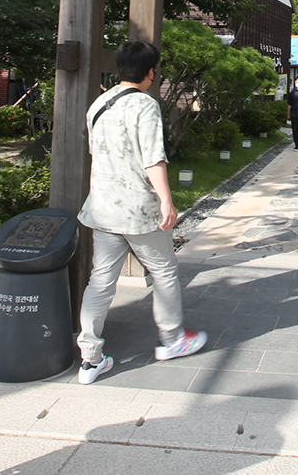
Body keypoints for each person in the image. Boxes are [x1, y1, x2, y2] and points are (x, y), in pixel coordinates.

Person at [76, 41, 206, 384]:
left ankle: (90, 357)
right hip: (138, 210)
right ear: (151, 72)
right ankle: (173, 338)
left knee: (100, 280)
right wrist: (166, 200)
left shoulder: (98, 104)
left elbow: (96, 152)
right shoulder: (145, 105)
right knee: (163, 271)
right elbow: (153, 158)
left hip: (103, 207)